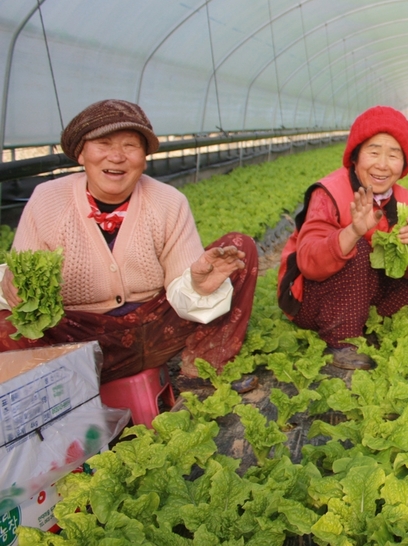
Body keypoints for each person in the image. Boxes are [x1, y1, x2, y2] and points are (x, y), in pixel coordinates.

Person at [0, 100, 258, 382]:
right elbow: (22, 281)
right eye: (103, 143)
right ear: (81, 153)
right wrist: (16, 285)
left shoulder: (168, 201)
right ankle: (55, 398)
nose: (117, 156)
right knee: (5, 327)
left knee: (239, 249)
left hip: (158, 328)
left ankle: (202, 374)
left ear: (144, 157)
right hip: (78, 339)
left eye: (130, 146)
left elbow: (183, 282)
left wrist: (198, 286)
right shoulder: (47, 200)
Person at [277, 105, 408, 369]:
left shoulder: (403, 199)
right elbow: (308, 263)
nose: (383, 165)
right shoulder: (328, 192)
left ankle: (368, 321)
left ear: (404, 164)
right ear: (355, 156)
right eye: (373, 152)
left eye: (393, 155)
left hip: (365, 293)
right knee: (359, 247)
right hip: (311, 302)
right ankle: (342, 341)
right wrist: (351, 233)